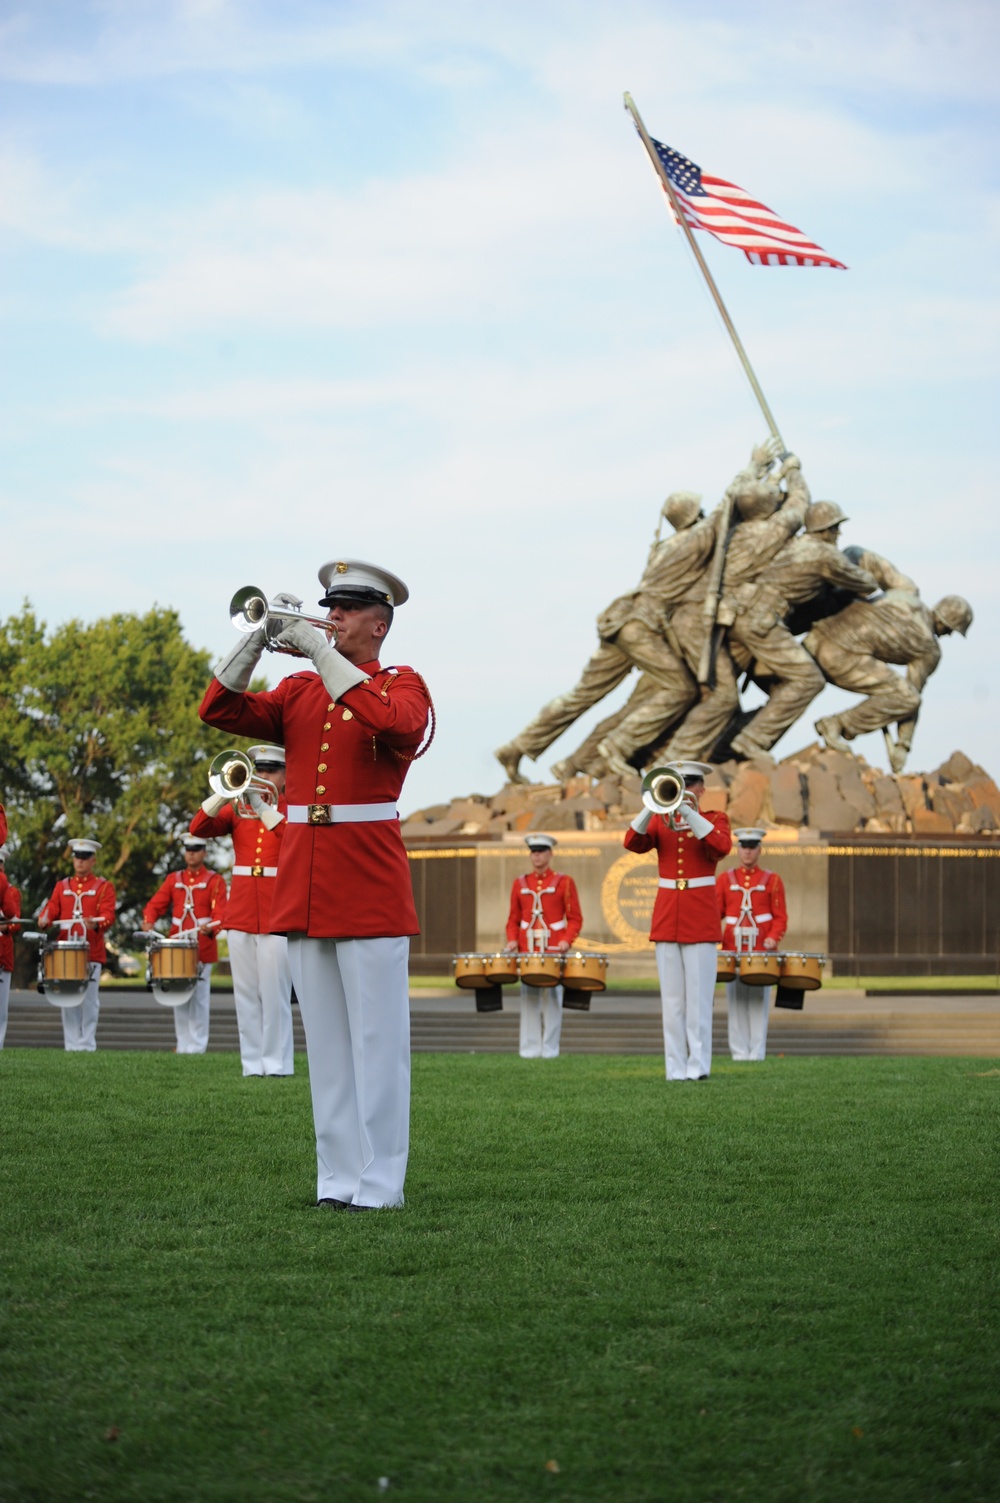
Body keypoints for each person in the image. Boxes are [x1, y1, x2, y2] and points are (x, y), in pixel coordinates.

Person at [199, 558, 432, 1211]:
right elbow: (217, 705)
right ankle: (337, 1178)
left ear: (379, 622)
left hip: (367, 879)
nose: (332, 616)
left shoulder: (401, 683)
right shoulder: (300, 691)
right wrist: (259, 633)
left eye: (347, 608)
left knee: (378, 1045)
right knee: (327, 1045)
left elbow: (395, 724)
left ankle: (381, 1183)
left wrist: (317, 652)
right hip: (302, 879)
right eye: (329, 605)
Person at [495, 488, 723, 785]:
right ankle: (615, 748)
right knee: (682, 689)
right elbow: (719, 518)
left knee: (581, 695)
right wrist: (753, 471)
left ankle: (517, 747)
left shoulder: (666, 545)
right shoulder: (690, 542)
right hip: (641, 627)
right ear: (694, 516)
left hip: (622, 621)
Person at [806, 549, 973, 774]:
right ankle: (837, 724)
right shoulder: (929, 650)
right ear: (947, 626)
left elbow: (860, 555)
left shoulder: (906, 590)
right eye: (952, 631)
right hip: (838, 656)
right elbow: (909, 699)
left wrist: (841, 576)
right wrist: (903, 745)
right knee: (907, 697)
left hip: (815, 637)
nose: (949, 635)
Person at [190, 744, 294, 1077]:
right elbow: (198, 829)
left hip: (277, 910)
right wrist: (223, 793)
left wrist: (262, 806)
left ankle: (277, 1062)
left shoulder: (291, 807)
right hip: (242, 910)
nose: (262, 776)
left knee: (274, 992)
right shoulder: (237, 809)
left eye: (270, 771)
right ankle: (251, 1063)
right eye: (258, 770)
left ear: (285, 775)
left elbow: (291, 837)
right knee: (245, 993)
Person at [623, 762, 731, 1080]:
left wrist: (689, 813)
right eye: (678, 783)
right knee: (672, 1001)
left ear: (702, 788)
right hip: (668, 916)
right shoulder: (660, 821)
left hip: (700, 918)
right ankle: (675, 1067)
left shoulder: (714, 819)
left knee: (698, 1000)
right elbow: (631, 841)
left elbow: (721, 847)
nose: (684, 788)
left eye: (691, 783)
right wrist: (650, 805)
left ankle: (698, 1066)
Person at [143, 836, 227, 1055]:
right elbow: (155, 904)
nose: (192, 853)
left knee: (199, 999)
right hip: (176, 949)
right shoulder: (174, 879)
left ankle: (197, 1047)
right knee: (178, 998)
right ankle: (183, 1045)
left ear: (204, 853)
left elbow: (220, 912)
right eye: (188, 849)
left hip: (202, 949)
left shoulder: (215, 880)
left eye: (196, 849)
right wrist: (149, 919)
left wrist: (213, 927)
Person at [503, 834, 583, 1059]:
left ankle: (550, 1050)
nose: (536, 855)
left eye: (541, 851)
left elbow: (575, 918)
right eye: (533, 851)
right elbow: (513, 919)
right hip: (528, 948)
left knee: (553, 999)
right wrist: (512, 940)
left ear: (550, 853)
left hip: (553, 949)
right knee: (528, 997)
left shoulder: (564, 882)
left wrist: (567, 940)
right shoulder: (520, 883)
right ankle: (529, 1050)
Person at [38, 837, 116, 1052]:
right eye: (77, 857)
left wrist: (96, 924)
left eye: (85, 857)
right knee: (67, 997)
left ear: (93, 860)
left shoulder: (103, 886)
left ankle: (87, 1043)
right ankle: (71, 1044)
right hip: (66, 952)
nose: (80, 861)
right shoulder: (62, 886)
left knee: (89, 1000)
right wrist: (44, 918)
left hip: (91, 952)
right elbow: (52, 907)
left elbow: (109, 914)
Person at [716, 828, 787, 1062]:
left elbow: (780, 917)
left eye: (752, 847)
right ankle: (738, 1053)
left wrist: (772, 938)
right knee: (735, 1002)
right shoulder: (725, 879)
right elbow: (715, 914)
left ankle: (756, 1052)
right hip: (732, 949)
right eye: (744, 847)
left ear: (759, 849)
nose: (747, 852)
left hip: (760, 951)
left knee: (758, 1002)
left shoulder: (773, 879)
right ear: (738, 849)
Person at [0, 844, 21, 1049]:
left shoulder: (11, 891)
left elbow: (15, 921)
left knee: (0, 1009)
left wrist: (7, 926)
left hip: (2, 954)